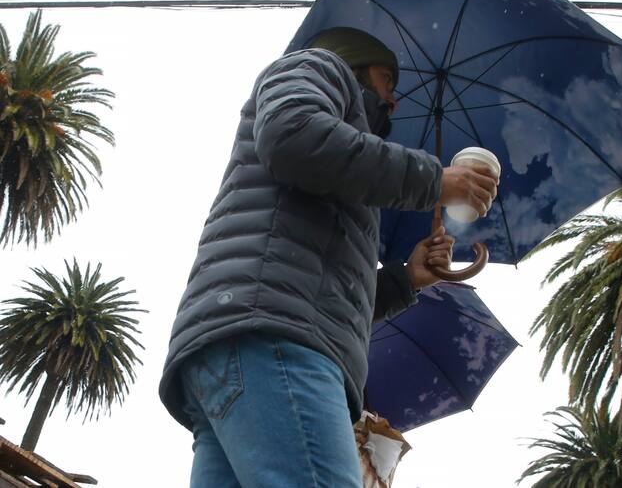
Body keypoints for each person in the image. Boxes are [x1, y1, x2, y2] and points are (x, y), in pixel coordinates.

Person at [159, 27, 499, 487]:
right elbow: (292, 137)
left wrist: (407, 279)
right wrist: (435, 180)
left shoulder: (346, 179)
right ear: (357, 65)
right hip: (274, 339)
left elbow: (322, 292)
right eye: (386, 81)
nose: (393, 101)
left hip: (248, 341)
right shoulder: (318, 66)